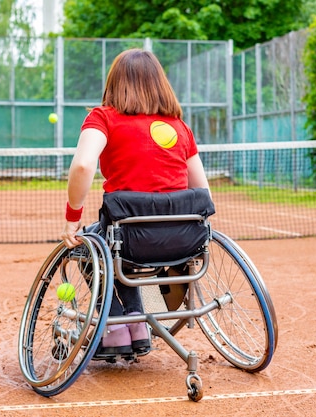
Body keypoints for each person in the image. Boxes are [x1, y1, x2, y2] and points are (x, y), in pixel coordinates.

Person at [60, 49, 212, 357]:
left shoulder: (103, 117)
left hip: (128, 237)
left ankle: (116, 326)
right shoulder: (179, 127)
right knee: (116, 246)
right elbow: (202, 189)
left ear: (115, 83)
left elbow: (82, 166)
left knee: (90, 248)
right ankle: (137, 323)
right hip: (181, 241)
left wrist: (72, 216)